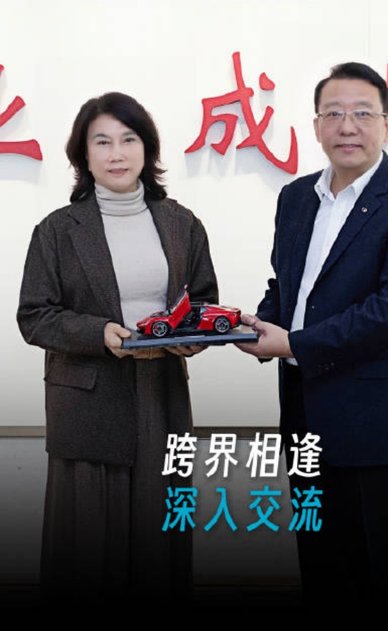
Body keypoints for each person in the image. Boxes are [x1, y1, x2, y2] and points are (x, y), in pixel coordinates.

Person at [237, 62, 388, 608]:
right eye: (333, 114)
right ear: (316, 126)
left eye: (362, 113)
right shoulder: (296, 197)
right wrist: (257, 324)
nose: (347, 126)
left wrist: (292, 345)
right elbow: (290, 285)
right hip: (305, 418)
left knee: (386, 577)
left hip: (379, 422)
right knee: (322, 572)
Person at [17, 92, 218, 608]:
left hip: (161, 393)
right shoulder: (57, 230)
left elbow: (202, 302)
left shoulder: (181, 223)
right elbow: (34, 315)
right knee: (87, 551)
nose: (116, 153)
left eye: (129, 139)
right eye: (102, 142)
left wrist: (192, 337)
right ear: (83, 155)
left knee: (159, 543)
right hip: (88, 399)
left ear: (147, 149)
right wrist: (99, 333)